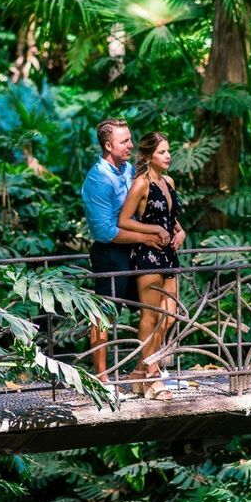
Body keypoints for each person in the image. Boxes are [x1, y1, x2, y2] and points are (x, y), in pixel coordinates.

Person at [81, 119, 168, 391]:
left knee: (154, 310)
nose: (131, 145)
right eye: (124, 141)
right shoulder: (97, 179)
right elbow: (105, 231)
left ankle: (142, 371)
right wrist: (147, 236)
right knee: (104, 314)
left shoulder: (129, 169)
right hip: (110, 254)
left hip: (136, 252)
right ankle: (101, 378)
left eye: (130, 139)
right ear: (108, 145)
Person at [117, 132, 186, 400]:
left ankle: (139, 372)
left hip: (169, 255)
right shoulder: (141, 184)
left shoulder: (168, 181)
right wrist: (152, 228)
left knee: (168, 317)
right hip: (148, 255)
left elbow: (171, 219)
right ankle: (152, 378)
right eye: (161, 152)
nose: (167, 156)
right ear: (148, 155)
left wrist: (180, 231)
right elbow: (124, 220)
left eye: (169, 151)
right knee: (151, 316)